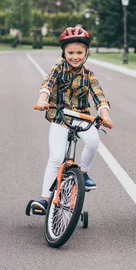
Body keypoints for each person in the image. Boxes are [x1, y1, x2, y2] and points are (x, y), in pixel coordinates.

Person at [31, 26, 112, 213]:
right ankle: (45, 199)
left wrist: (105, 115)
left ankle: (82, 173)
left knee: (93, 141)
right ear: (63, 52)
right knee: (56, 157)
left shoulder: (89, 75)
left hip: (82, 116)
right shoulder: (58, 68)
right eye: (70, 53)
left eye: (79, 53)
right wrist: (43, 99)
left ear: (86, 53)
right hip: (60, 117)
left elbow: (99, 96)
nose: (75, 57)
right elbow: (47, 84)